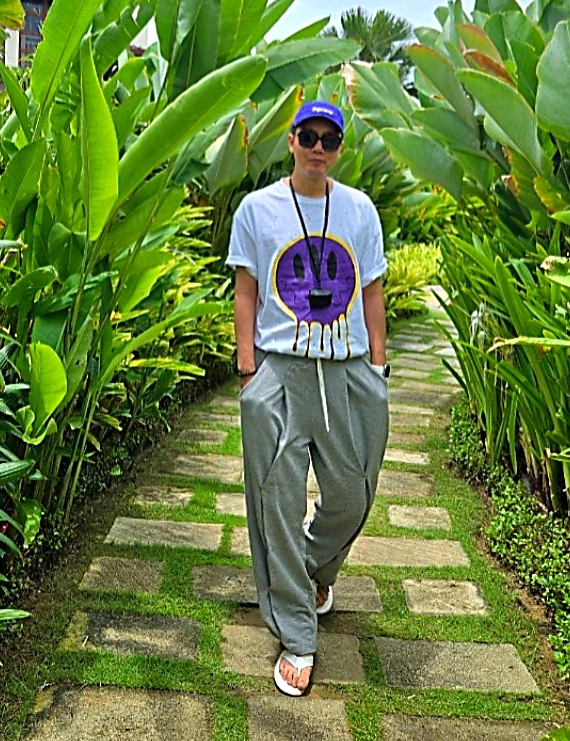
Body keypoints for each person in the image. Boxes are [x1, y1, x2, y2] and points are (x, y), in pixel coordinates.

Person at [226, 98, 390, 696]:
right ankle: (296, 630)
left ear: (339, 148)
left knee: (354, 491)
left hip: (347, 371)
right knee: (277, 502)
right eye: (308, 135)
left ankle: (310, 568)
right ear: (291, 141)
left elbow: (371, 290)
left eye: (329, 138)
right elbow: (246, 291)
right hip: (280, 369)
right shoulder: (257, 209)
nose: (318, 146)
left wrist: (380, 365)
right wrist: (248, 369)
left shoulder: (359, 210)